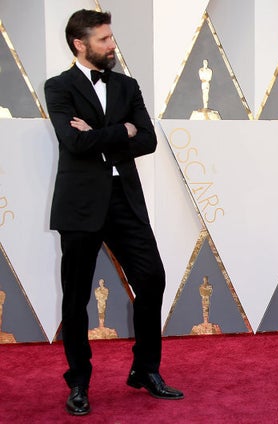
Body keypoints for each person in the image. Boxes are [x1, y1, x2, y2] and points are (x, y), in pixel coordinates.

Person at [44, 9, 183, 416]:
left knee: (152, 279)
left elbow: (149, 140)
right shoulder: (58, 87)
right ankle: (79, 383)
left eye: (111, 36)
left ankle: (146, 369)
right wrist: (121, 132)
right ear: (79, 44)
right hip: (81, 204)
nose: (112, 45)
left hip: (125, 199)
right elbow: (73, 143)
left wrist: (102, 137)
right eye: (103, 39)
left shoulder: (127, 85)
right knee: (76, 298)